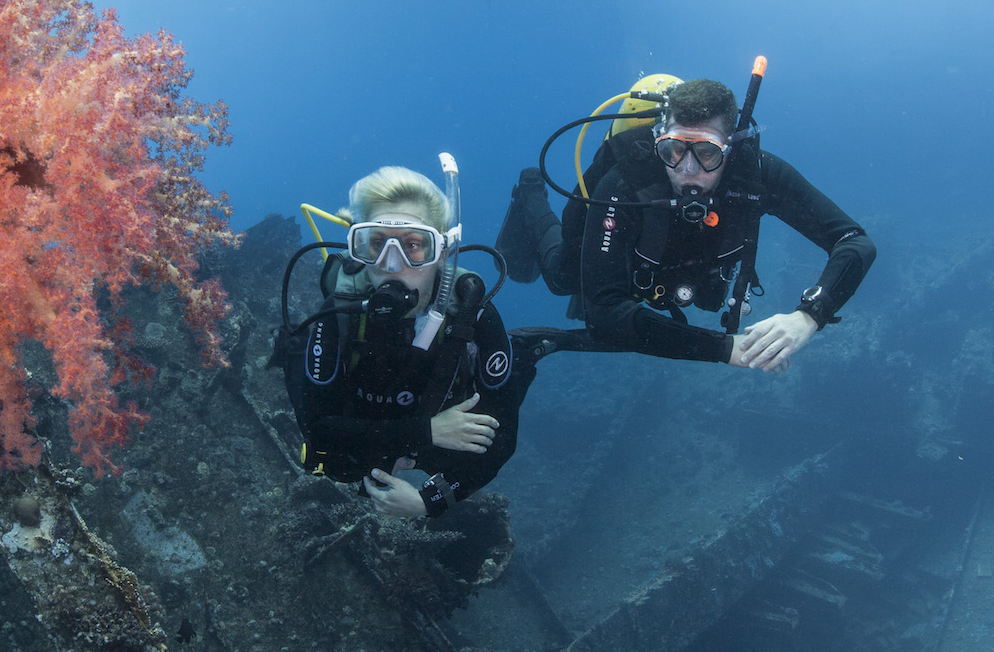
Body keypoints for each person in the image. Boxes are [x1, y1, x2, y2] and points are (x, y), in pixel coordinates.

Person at [496, 76, 875, 372]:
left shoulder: (757, 175)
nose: (688, 170)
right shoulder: (625, 183)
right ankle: (531, 195)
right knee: (562, 277)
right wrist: (727, 349)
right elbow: (605, 313)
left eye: (708, 153)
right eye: (675, 150)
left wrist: (808, 316)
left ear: (732, 148)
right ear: (659, 140)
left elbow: (854, 242)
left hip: (674, 267)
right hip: (622, 237)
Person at [284, 165, 533, 518]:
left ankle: (525, 349)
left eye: (413, 246)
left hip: (433, 433)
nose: (390, 264)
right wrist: (427, 431)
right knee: (336, 466)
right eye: (375, 244)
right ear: (359, 250)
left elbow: (501, 438)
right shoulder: (338, 315)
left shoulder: (473, 316)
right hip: (415, 430)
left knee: (506, 386)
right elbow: (320, 429)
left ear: (442, 252)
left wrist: (427, 501)